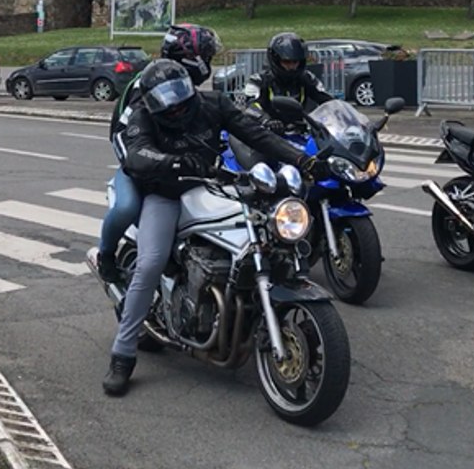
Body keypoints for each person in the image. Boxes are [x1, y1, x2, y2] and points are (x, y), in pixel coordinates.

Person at [102, 59, 330, 397]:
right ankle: (122, 355)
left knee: (261, 227)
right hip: (163, 192)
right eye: (167, 103)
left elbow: (256, 134)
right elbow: (136, 154)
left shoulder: (212, 105)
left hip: (209, 185)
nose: (176, 108)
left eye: (180, 98)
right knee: (150, 263)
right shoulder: (142, 114)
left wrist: (300, 159)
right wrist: (172, 162)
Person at [97, 24, 221, 283]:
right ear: (188, 57)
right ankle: (106, 254)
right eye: (206, 57)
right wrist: (143, 163)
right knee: (127, 206)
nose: (208, 63)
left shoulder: (181, 83)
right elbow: (126, 133)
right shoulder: (148, 83)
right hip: (140, 157)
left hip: (175, 158)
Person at [242, 32, 333, 133]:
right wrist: (266, 120)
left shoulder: (307, 78)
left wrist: (342, 114)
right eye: (287, 62)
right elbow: (250, 107)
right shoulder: (258, 81)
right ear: (275, 60)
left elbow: (327, 101)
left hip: (299, 134)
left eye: (295, 62)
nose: (292, 66)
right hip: (265, 136)